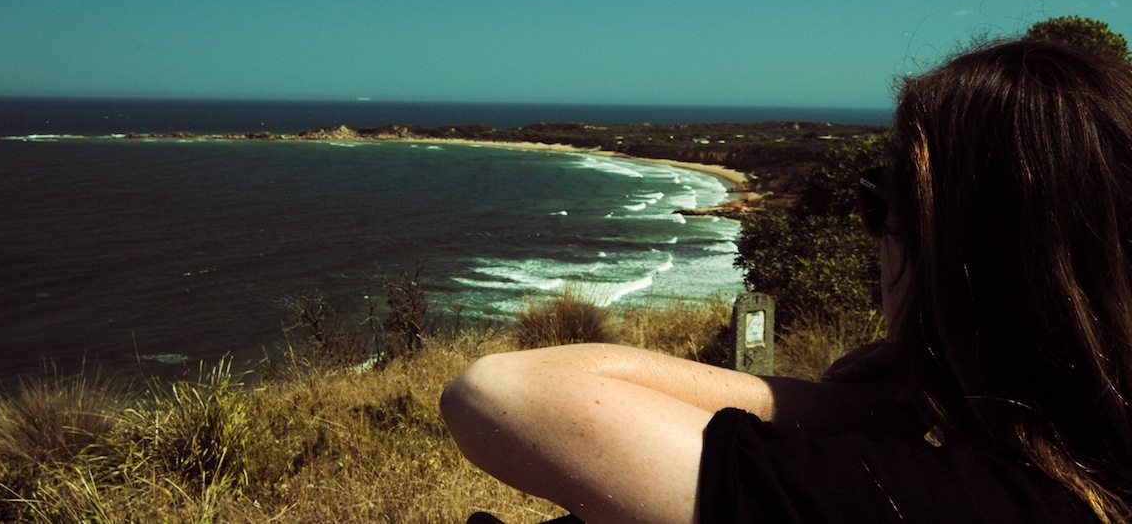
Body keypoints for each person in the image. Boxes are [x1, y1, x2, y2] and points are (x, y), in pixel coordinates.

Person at [440, 38, 1132, 523]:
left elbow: (500, 392)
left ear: (961, 256)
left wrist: (877, 404)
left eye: (879, 199)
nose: (871, 234)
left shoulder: (951, 499)